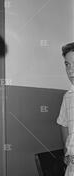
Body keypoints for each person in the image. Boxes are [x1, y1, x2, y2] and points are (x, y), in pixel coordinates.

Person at [57, 42, 74, 176]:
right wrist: (66, 151)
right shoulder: (67, 97)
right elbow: (63, 124)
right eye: (67, 65)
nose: (70, 70)